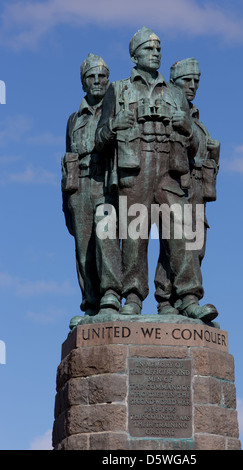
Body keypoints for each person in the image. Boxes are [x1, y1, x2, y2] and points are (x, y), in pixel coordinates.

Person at [95, 28, 214, 321]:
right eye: (149, 49)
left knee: (182, 229)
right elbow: (98, 139)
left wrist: (186, 127)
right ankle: (133, 296)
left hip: (170, 168)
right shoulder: (119, 89)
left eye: (158, 49)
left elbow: (196, 147)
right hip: (134, 167)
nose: (155, 54)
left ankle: (188, 297)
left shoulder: (175, 93)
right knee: (135, 235)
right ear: (134, 54)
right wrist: (115, 125)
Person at [154, 58, 220, 321]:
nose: (192, 86)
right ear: (174, 82)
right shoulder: (169, 113)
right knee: (177, 243)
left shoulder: (197, 121)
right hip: (173, 185)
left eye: (196, 81)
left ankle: (177, 300)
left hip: (197, 190)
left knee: (196, 248)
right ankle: (172, 299)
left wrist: (214, 154)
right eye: (187, 80)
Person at [62, 54, 122, 329]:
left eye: (102, 76)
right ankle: (91, 305)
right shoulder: (74, 119)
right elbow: (68, 159)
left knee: (105, 234)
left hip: (104, 181)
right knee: (83, 248)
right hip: (79, 186)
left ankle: (111, 295)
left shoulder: (115, 109)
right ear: (83, 82)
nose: (98, 81)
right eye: (92, 77)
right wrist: (67, 204)